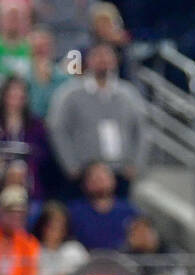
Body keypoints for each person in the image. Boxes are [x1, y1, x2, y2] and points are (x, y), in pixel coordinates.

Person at [46, 44, 145, 192]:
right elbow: (58, 129)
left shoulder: (128, 95)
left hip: (120, 171)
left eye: (107, 55)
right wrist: (70, 164)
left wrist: (136, 164)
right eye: (97, 55)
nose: (103, 60)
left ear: (116, 60)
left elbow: (142, 130)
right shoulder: (70, 93)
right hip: (83, 173)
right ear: (88, 60)